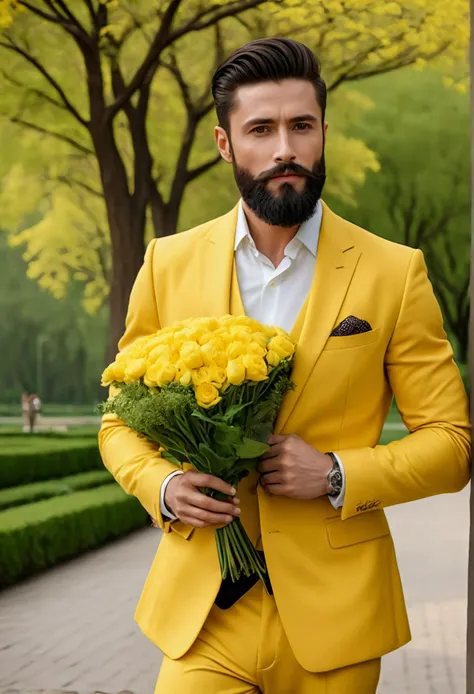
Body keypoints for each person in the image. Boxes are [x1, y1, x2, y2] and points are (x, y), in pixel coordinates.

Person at [99, 38, 470, 694]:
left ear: (323, 132)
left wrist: (334, 473)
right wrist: (160, 485)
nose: (284, 150)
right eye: (261, 129)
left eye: (301, 126)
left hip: (337, 616)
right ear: (223, 143)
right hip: (203, 614)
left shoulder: (393, 271)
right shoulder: (168, 262)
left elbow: (452, 445)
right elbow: (118, 420)